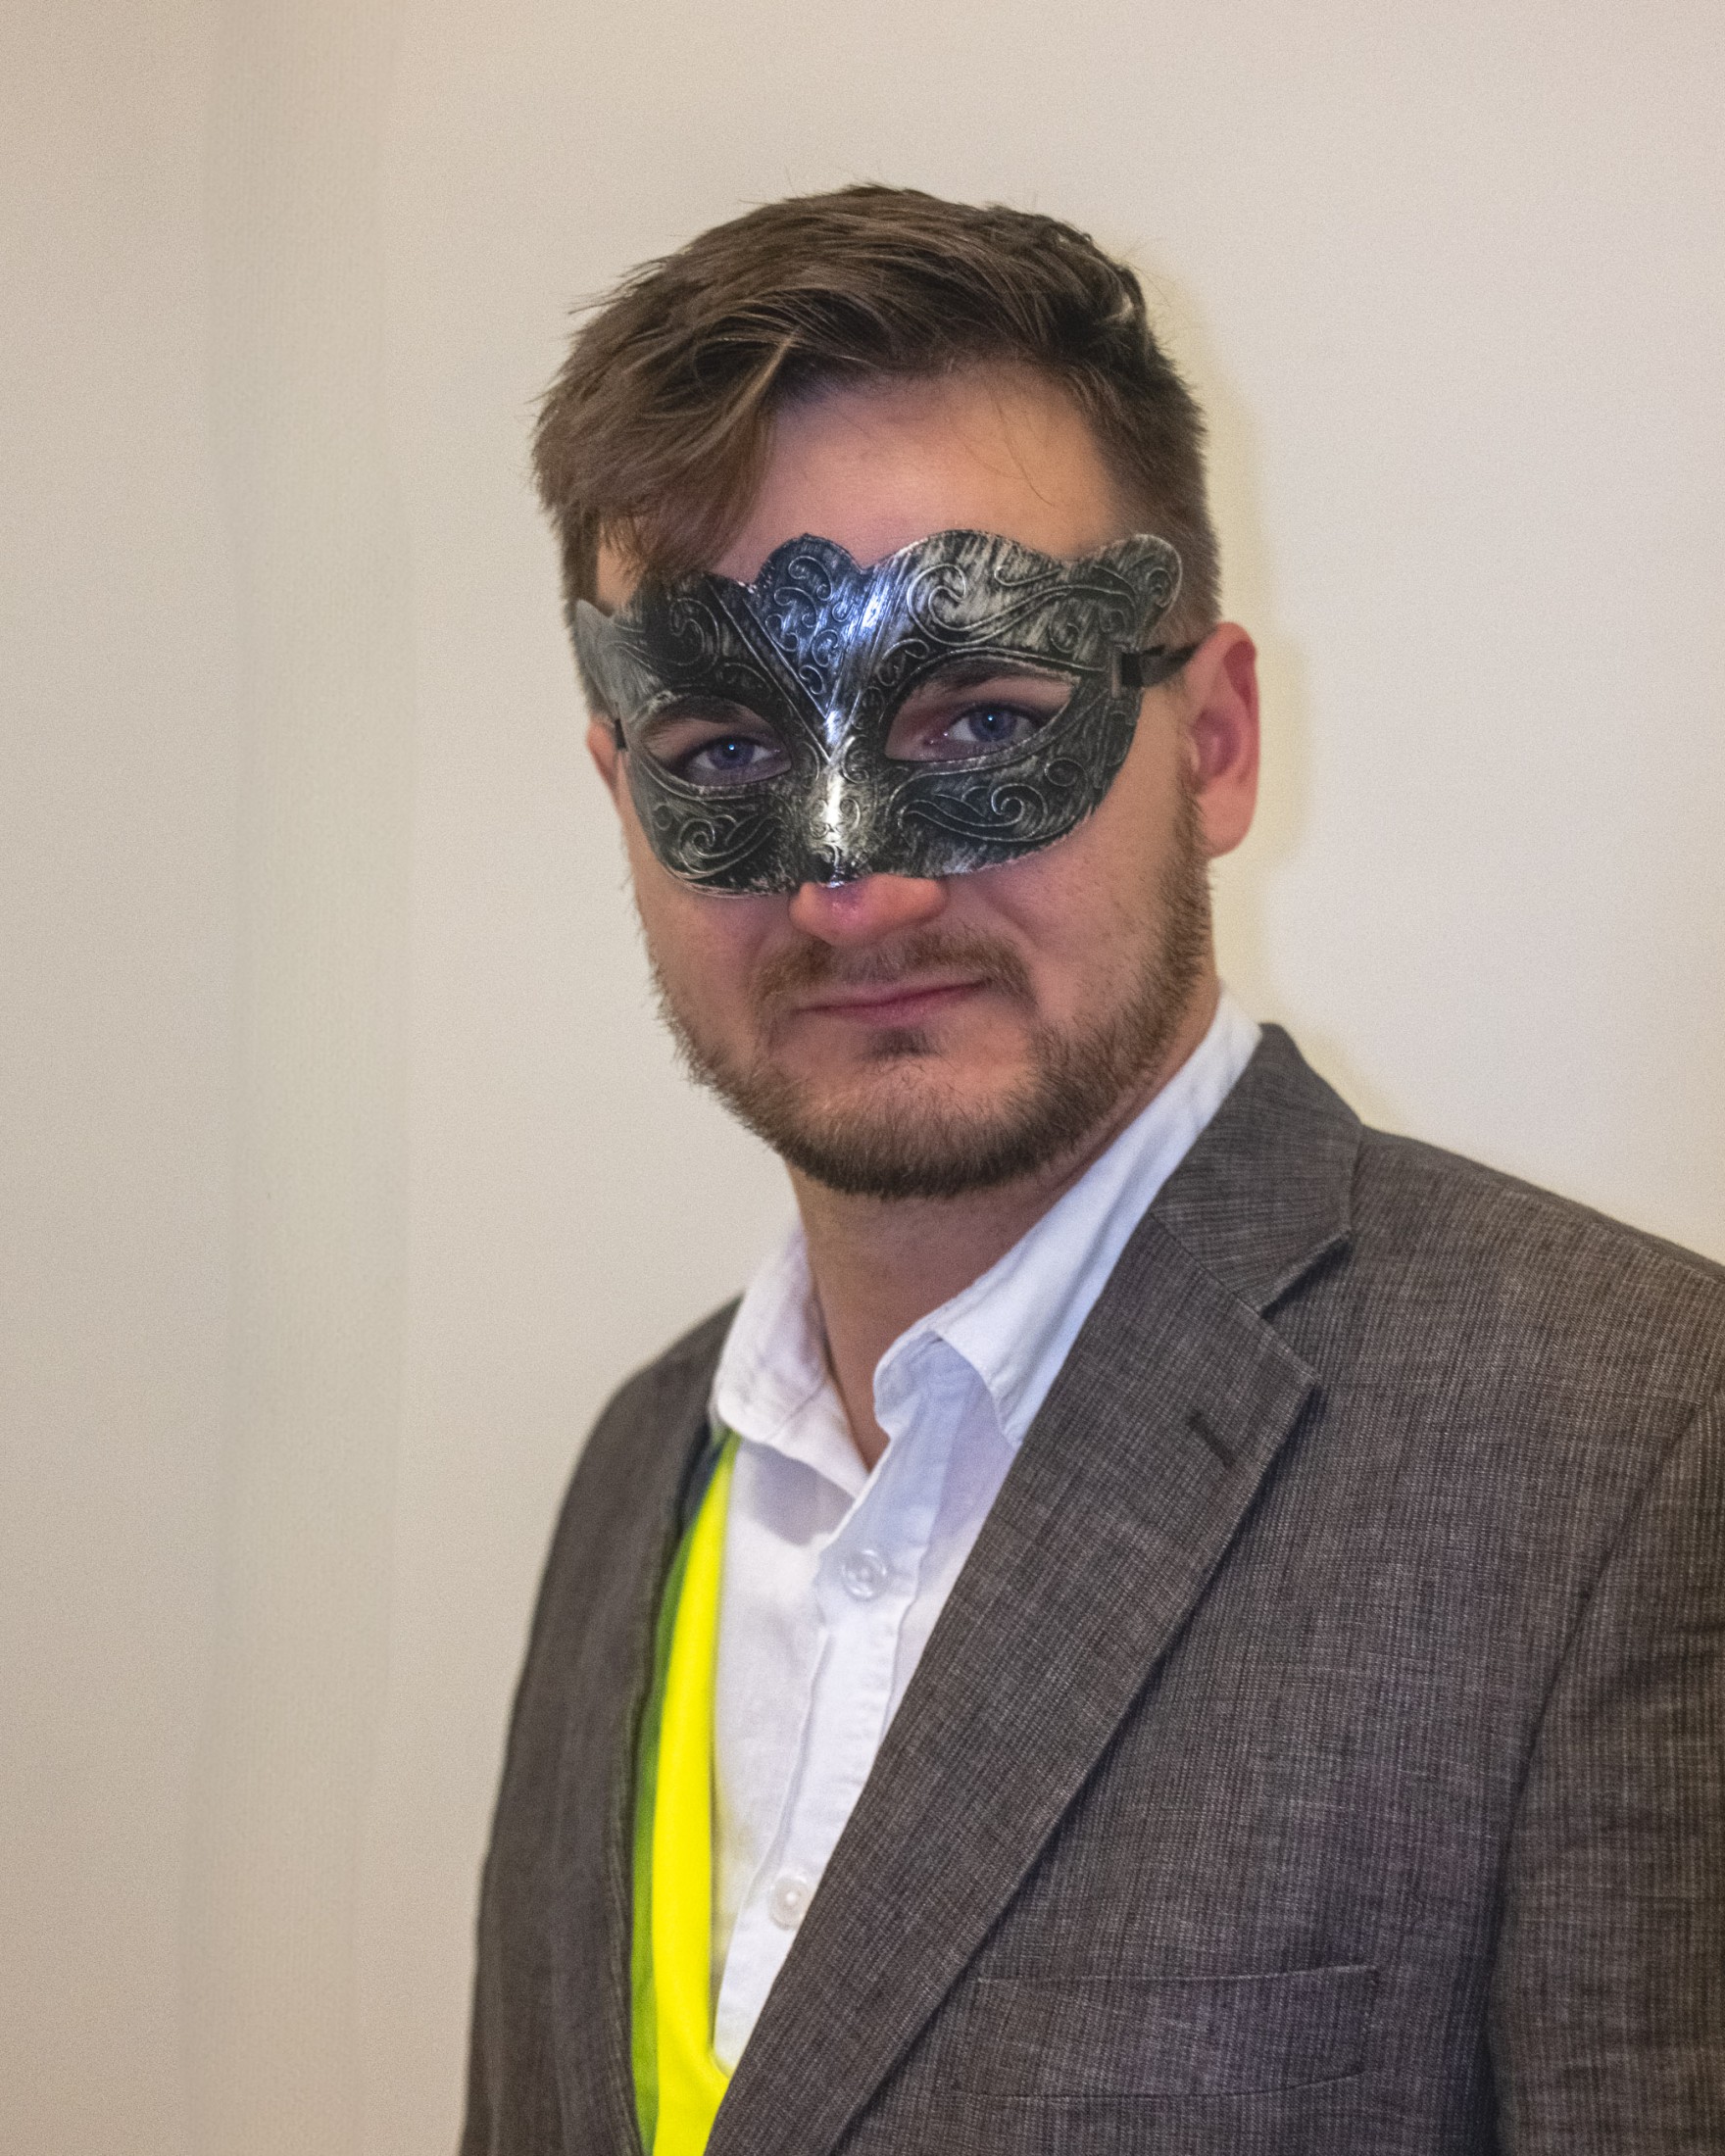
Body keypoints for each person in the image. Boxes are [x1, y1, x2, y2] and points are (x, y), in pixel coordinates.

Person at [462, 186, 1724, 2156]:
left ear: (1212, 740)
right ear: (620, 788)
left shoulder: (1630, 1451)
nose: (856, 880)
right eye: (723, 753)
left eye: (981, 716)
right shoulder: (641, 1471)